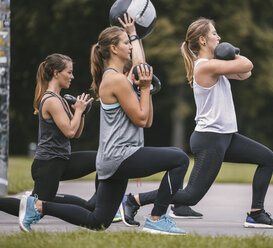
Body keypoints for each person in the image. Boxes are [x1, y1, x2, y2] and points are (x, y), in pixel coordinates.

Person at [19, 14, 189, 235]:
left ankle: (39, 206)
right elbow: (140, 118)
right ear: (114, 48)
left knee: (98, 221)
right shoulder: (114, 80)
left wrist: (133, 35)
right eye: (126, 43)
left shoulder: (119, 78)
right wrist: (145, 89)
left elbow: (146, 119)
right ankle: (157, 217)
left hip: (113, 159)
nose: (129, 47)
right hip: (121, 156)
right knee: (179, 158)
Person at [124, 17, 273, 229]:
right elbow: (247, 63)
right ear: (202, 40)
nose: (218, 37)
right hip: (210, 139)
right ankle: (134, 200)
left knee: (267, 158)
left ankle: (256, 214)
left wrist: (227, 55)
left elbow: (245, 73)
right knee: (190, 196)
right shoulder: (204, 67)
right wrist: (233, 51)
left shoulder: (215, 66)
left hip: (226, 137)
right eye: (214, 34)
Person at [0, 53, 98, 225]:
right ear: (55, 73)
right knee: (36, 207)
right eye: (69, 72)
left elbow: (76, 133)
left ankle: (99, 205)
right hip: (48, 164)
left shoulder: (60, 99)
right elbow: (69, 131)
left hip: (61, 160)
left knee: (101, 159)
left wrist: (80, 113)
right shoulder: (51, 100)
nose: (72, 76)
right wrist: (80, 111)